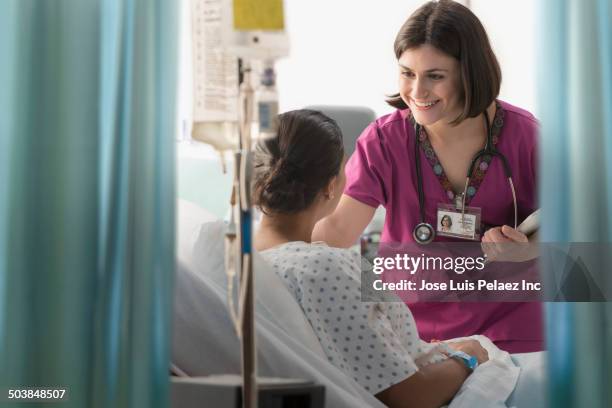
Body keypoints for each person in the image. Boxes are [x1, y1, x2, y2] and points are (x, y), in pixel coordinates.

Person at [312, 0, 542, 353]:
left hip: (508, 324)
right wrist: (270, 241)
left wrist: (525, 249)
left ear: (471, 74)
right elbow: (337, 231)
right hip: (408, 327)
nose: (417, 93)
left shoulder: (527, 137)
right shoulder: (384, 141)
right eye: (407, 73)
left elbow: (574, 228)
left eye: (435, 76)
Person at [253, 109, 489, 408]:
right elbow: (412, 395)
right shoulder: (327, 268)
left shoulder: (243, 259)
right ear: (330, 186)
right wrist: (467, 356)